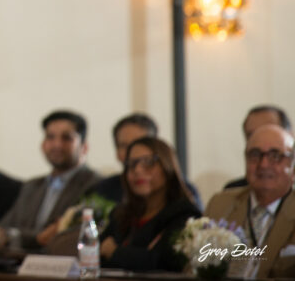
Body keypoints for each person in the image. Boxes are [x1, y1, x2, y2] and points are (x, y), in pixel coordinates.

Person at [0, 110, 101, 251]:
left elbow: (71, 235)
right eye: (50, 137)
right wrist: (36, 238)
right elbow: (3, 230)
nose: (57, 144)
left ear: (84, 147)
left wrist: (22, 237)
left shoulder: (96, 185)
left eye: (67, 138)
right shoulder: (31, 186)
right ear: (43, 144)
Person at [204, 124, 295, 279]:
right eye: (255, 154)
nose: (263, 164)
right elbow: (195, 266)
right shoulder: (220, 203)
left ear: (292, 165)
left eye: (275, 155)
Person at [99, 137, 200, 272]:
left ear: (167, 166)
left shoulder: (184, 215)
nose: (138, 170)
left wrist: (115, 253)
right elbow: (96, 255)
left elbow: (162, 262)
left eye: (148, 162)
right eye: (131, 164)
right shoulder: (121, 214)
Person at [89, 113, 202, 208]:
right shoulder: (105, 189)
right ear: (117, 153)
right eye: (124, 146)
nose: (133, 152)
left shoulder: (183, 192)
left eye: (140, 143)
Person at [224, 105, 292, 189]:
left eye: (268, 132)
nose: (259, 139)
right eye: (251, 135)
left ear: (289, 137)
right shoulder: (232, 193)